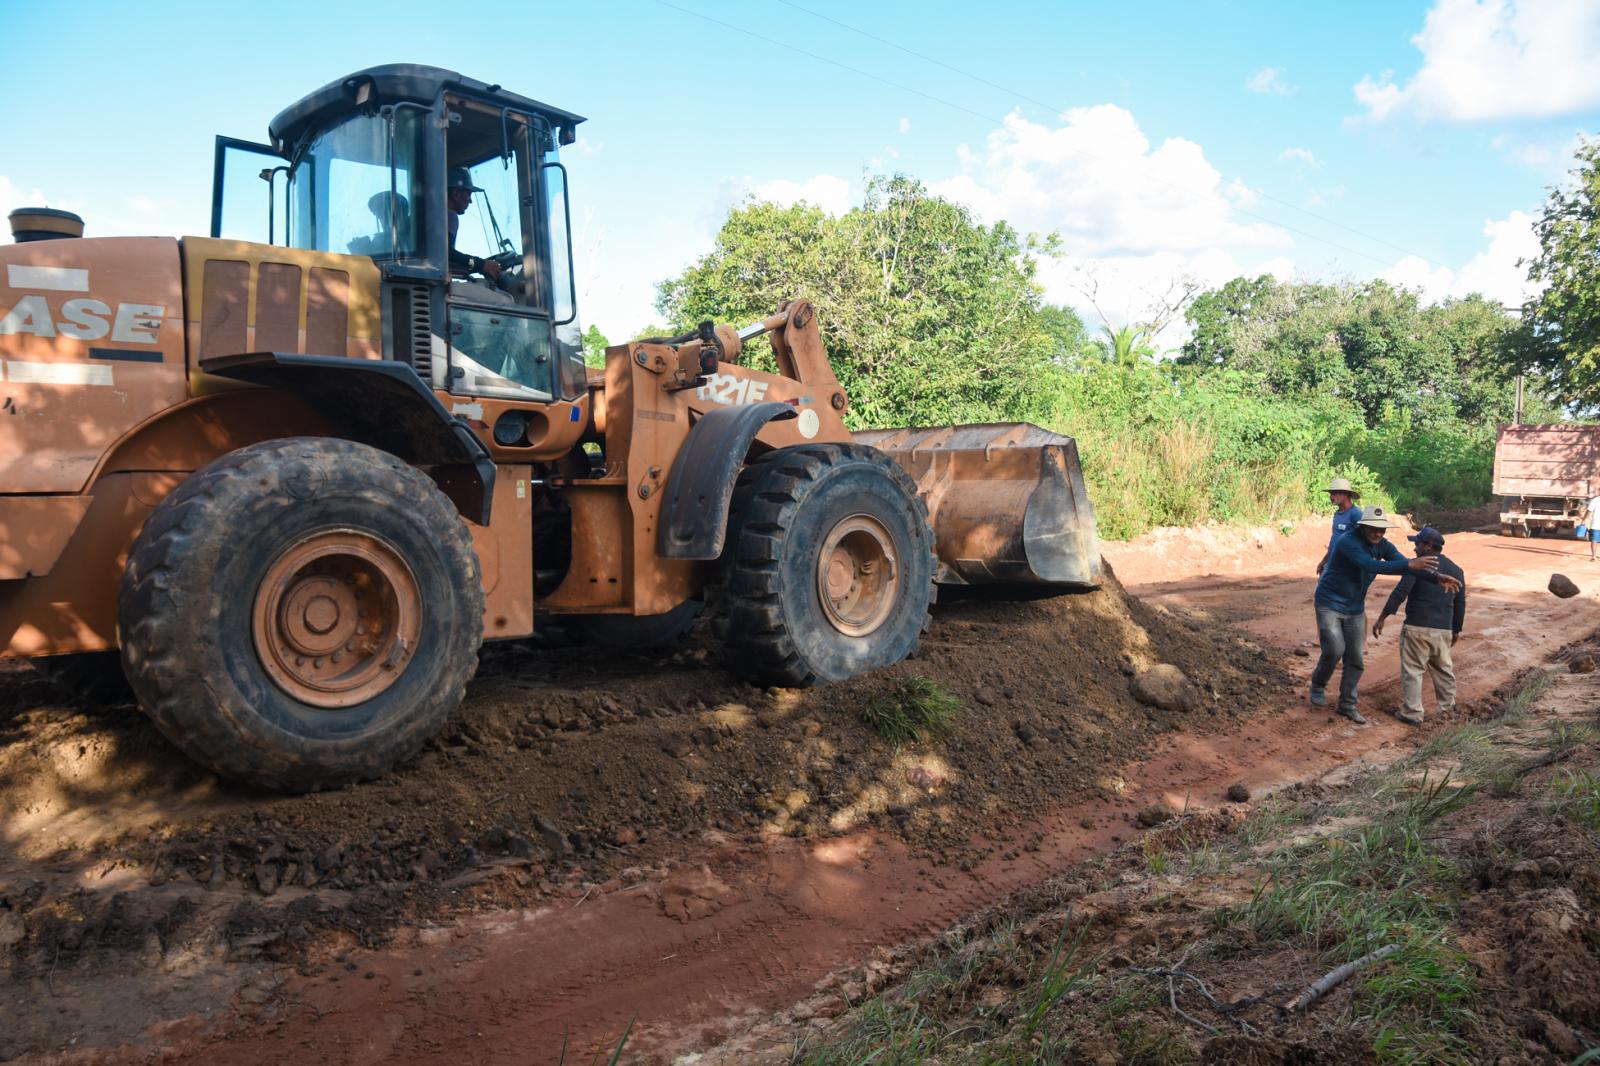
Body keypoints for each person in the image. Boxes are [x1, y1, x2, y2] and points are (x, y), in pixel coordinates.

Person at [1311, 506, 1460, 724]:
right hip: (1329, 603)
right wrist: (1409, 564)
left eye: (1382, 529)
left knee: (1356, 658)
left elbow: (1407, 567)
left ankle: (1347, 704)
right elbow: (1369, 564)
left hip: (1354, 608)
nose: (1378, 533)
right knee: (1334, 649)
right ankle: (1318, 685)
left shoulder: (1382, 545)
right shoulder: (1347, 542)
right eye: (1373, 529)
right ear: (1363, 526)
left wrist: (1435, 577)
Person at [1373, 527, 1465, 726]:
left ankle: (1412, 713)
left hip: (1417, 627)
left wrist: (1382, 617)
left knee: (1413, 670)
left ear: (1429, 546)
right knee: (1443, 670)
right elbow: (1460, 602)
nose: (1414, 548)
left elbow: (1401, 592)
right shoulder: (1457, 570)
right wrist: (1456, 629)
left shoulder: (1418, 566)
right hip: (1443, 629)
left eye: (1418, 543)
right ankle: (1446, 711)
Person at [446, 167, 503, 283]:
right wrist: (481, 264)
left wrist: (478, 266)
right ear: (456, 194)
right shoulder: (449, 215)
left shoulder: (425, 217)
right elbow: (446, 255)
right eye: (469, 194)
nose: (470, 201)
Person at [1315, 478, 1364, 576]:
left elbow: (1365, 541)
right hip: (1332, 563)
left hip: (1345, 567)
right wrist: (1324, 561)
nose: (1331, 496)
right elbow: (1334, 541)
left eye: (1334, 493)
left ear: (1346, 494)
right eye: (1331, 494)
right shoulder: (1337, 514)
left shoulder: (1356, 514)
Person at [1584, 493, 1600, 561]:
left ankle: (1594, 556)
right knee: (1594, 540)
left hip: (1596, 524)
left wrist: (1584, 519)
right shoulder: (1595, 500)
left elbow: (1589, 511)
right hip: (1596, 524)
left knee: (1594, 540)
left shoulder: (1595, 500)